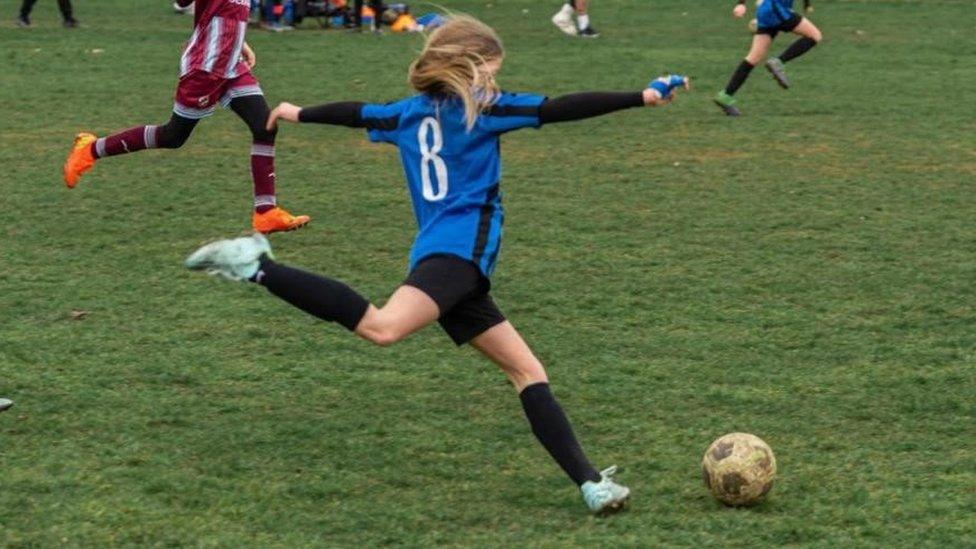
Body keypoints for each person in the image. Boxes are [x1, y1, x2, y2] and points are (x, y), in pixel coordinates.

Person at [185, 15, 689, 513]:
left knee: (528, 372)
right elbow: (559, 108)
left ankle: (589, 484)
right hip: (455, 258)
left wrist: (300, 112)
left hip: (451, 263)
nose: (492, 80)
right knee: (383, 328)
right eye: (489, 70)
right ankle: (255, 264)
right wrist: (641, 97)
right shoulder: (483, 111)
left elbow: (361, 112)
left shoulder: (408, 113)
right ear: (467, 68)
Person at [62, 0, 310, 234]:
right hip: (204, 68)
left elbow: (226, 11)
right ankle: (91, 149)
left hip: (231, 64)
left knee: (265, 126)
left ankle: (266, 212)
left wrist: (240, 41)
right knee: (173, 136)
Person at [714, 0, 821, 116]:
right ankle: (779, 62)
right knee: (814, 35)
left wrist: (741, 4)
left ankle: (725, 95)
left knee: (754, 57)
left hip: (767, 10)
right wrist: (741, 3)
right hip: (777, 9)